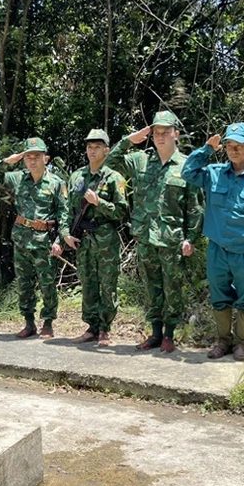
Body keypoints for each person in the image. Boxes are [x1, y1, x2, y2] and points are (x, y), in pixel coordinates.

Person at [103, 111, 204, 352]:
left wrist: (191, 237)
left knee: (172, 287)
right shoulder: (140, 160)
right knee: (152, 287)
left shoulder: (186, 165)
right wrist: (129, 140)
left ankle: (169, 334)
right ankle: (155, 333)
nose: (160, 136)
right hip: (145, 235)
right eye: (156, 132)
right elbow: (107, 164)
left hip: (171, 239)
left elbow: (196, 206)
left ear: (175, 134)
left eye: (165, 132)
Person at [180, 122, 244, 361]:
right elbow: (187, 172)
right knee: (219, 296)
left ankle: (242, 344)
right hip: (217, 250)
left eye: (239, 145)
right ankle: (223, 341)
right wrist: (205, 150)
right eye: (229, 146)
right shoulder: (213, 174)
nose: (234, 150)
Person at [0, 137, 69, 338]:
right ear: (23, 159)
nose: (32, 160)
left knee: (47, 283)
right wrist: (7, 162)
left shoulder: (56, 183)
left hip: (44, 240)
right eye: (28, 157)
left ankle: (48, 322)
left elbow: (64, 213)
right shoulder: (17, 178)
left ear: (46, 158)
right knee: (24, 284)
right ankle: (28, 322)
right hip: (21, 239)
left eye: (37, 156)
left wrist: (59, 241)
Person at [63, 129, 128, 346]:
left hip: (105, 240)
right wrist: (65, 234)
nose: (92, 150)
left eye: (97, 147)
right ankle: (91, 327)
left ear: (106, 150)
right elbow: (67, 210)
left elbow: (121, 211)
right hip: (83, 239)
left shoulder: (113, 177)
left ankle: (105, 329)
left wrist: (99, 202)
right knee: (88, 283)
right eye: (89, 146)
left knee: (108, 284)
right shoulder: (77, 177)